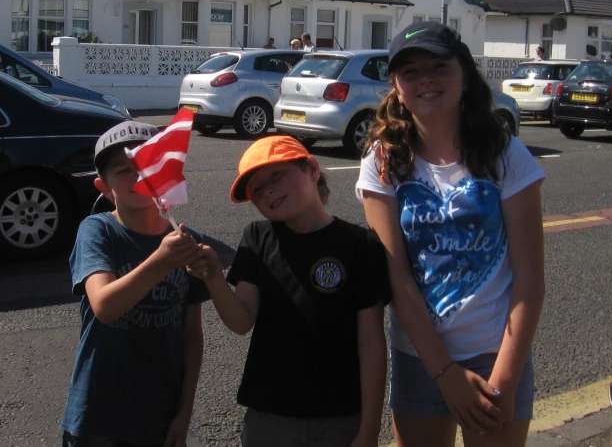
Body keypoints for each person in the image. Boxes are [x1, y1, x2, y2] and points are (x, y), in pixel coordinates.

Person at [356, 20, 546, 447]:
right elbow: (397, 276)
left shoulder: (506, 154)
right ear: (397, 87)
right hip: (420, 355)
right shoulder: (383, 159)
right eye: (410, 71)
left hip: (496, 355)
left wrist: (504, 380)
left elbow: (530, 282)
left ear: (464, 73)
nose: (426, 78)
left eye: (438, 66)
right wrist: (443, 373)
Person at [187, 135, 390, 447]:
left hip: (341, 417)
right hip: (270, 417)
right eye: (256, 189)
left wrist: (370, 428)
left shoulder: (361, 246)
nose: (267, 189)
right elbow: (241, 322)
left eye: (276, 174)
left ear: (311, 168)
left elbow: (371, 343)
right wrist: (214, 277)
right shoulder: (257, 238)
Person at [60, 120, 209, 447]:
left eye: (149, 166)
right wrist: (161, 261)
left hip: (160, 413)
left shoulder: (186, 242)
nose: (139, 177)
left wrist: (185, 411)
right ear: (104, 187)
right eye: (124, 171)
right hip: (98, 414)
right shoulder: (97, 231)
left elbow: (192, 335)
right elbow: (105, 306)